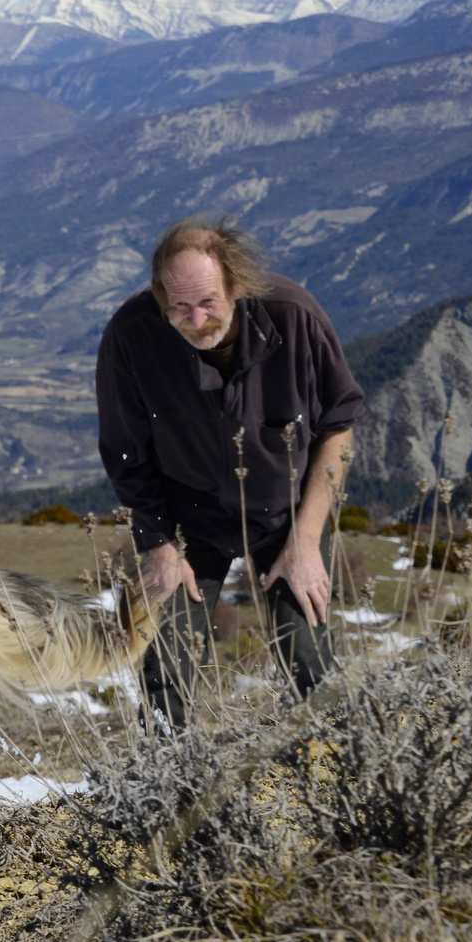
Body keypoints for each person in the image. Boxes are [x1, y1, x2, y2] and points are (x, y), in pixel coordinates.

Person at [96, 215, 364, 728]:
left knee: (307, 655)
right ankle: (165, 790)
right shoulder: (131, 337)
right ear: (159, 296)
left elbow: (339, 427)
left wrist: (306, 542)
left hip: (287, 516)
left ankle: (331, 770)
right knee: (164, 662)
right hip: (186, 520)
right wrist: (158, 546)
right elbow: (126, 453)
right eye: (179, 306)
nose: (196, 320)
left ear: (236, 285)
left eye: (208, 303)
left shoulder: (294, 316)